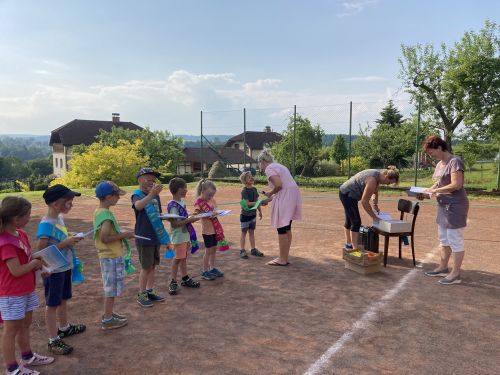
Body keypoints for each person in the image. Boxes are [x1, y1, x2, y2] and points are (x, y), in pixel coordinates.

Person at [0, 197, 55, 375]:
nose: (30, 218)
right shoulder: (6, 242)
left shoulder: (20, 234)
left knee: (25, 324)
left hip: (26, 288)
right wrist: (34, 265)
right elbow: (16, 271)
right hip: (11, 293)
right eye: (28, 215)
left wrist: (40, 268)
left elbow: (28, 259)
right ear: (16, 219)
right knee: (11, 330)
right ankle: (12, 368)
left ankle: (28, 356)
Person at [36, 184, 86, 355]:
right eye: (69, 201)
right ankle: (53, 339)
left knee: (64, 298)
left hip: (65, 266)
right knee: (52, 304)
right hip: (54, 271)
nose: (71, 204)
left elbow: (59, 240)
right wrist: (65, 243)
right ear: (57, 204)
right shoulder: (45, 225)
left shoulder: (59, 219)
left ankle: (64, 328)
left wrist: (70, 238)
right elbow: (40, 251)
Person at [421, 135, 469, 285]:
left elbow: (457, 184)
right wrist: (428, 191)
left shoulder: (455, 161)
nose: (431, 156)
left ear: (440, 148)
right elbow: (438, 183)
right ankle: (443, 267)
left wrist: (436, 191)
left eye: (432, 152)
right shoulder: (440, 164)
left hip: (455, 205)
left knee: (455, 239)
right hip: (443, 205)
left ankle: (456, 273)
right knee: (443, 238)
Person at [94, 181, 135, 330]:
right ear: (108, 197)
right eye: (116, 195)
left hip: (109, 255)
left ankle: (109, 313)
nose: (118, 198)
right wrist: (124, 235)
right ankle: (108, 319)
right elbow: (105, 238)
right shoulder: (105, 215)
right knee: (111, 289)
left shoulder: (99, 211)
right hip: (110, 256)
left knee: (111, 288)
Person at [257, 149, 302, 266]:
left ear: (262, 161)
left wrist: (269, 193)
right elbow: (282, 188)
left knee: (281, 227)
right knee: (287, 227)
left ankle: (282, 259)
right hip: (291, 196)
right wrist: (268, 198)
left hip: (286, 196)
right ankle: (285, 257)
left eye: (259, 163)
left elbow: (278, 185)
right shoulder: (279, 166)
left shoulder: (269, 168)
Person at [131, 167, 169, 307]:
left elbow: (158, 212)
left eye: (153, 180)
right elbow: (139, 206)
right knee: (146, 266)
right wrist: (152, 194)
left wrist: (165, 217)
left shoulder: (155, 196)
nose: (151, 182)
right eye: (148, 179)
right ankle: (141, 293)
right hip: (144, 236)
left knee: (153, 265)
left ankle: (150, 290)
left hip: (155, 234)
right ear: (139, 180)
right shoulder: (137, 194)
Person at [339, 166, 400, 251]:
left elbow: (375, 192)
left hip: (348, 193)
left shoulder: (378, 175)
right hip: (347, 194)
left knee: (350, 220)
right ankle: (354, 249)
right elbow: (364, 202)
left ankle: (349, 245)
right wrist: (374, 218)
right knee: (356, 222)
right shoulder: (372, 180)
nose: (387, 184)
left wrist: (375, 205)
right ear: (387, 177)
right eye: (389, 182)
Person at [166, 177, 201, 295]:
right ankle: (173, 281)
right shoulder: (172, 206)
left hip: (185, 235)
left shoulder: (181, 202)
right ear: (179, 189)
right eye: (185, 188)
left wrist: (192, 216)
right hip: (178, 237)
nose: (186, 190)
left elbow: (184, 219)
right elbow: (175, 224)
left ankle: (185, 278)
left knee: (183, 257)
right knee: (177, 259)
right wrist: (189, 220)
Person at [193, 179, 228, 280]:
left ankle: (212, 268)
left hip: (215, 230)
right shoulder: (199, 202)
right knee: (208, 251)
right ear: (202, 192)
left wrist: (217, 212)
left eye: (212, 195)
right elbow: (196, 211)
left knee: (213, 250)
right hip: (207, 231)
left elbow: (215, 209)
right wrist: (196, 213)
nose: (210, 197)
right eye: (208, 195)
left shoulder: (212, 200)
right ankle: (205, 271)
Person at [238, 171, 264, 259]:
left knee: (252, 232)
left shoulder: (254, 189)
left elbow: (257, 201)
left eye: (251, 176)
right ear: (245, 181)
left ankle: (253, 249)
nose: (251, 178)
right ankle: (242, 250)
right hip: (245, 215)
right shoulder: (244, 191)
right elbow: (247, 203)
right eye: (249, 177)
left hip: (253, 215)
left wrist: (260, 211)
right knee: (244, 232)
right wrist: (258, 202)